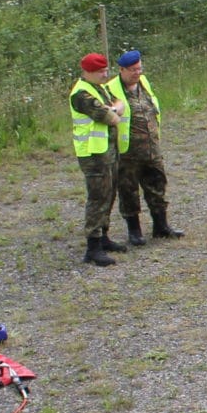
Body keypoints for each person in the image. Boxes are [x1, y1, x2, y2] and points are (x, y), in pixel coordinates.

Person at [103, 51, 182, 248]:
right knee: (128, 190)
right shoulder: (110, 89)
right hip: (127, 152)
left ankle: (161, 226)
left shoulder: (144, 83)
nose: (137, 73)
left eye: (139, 68)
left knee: (157, 186)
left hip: (151, 148)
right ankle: (134, 231)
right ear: (121, 70)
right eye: (132, 70)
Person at [69, 53, 126, 268]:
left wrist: (113, 109)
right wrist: (113, 111)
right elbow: (111, 117)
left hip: (107, 150)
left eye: (105, 70)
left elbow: (120, 103)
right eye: (100, 71)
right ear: (87, 72)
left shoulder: (99, 88)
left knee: (110, 193)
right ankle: (93, 247)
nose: (105, 74)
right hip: (92, 154)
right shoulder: (81, 94)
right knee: (98, 197)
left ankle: (104, 237)